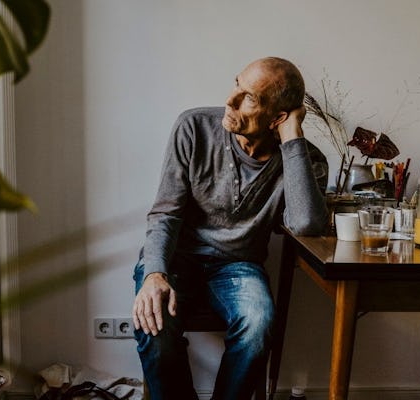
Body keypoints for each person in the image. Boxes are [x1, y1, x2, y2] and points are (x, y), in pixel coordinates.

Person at [132, 57, 329, 400]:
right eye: (236, 84)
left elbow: (307, 224)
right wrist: (154, 274)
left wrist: (292, 137)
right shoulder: (194, 127)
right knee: (154, 324)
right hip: (176, 258)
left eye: (249, 97)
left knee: (258, 324)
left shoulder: (305, 160)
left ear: (278, 118)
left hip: (238, 266)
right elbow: (165, 213)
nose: (230, 100)